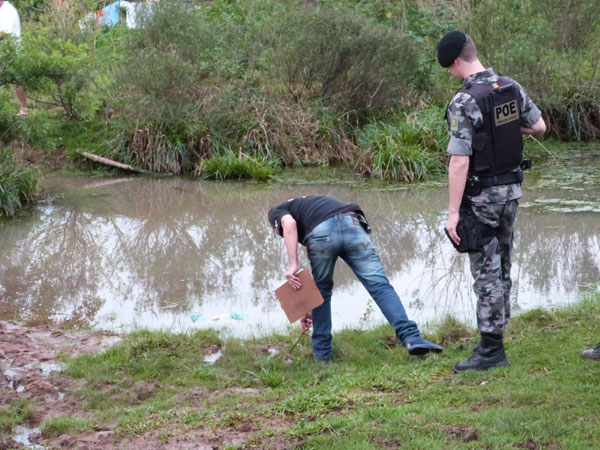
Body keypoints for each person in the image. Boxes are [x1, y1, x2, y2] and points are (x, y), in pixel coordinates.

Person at [437, 31, 546, 372]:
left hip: (482, 197)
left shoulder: (465, 101)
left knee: (485, 269)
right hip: (511, 192)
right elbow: (539, 126)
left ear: (455, 61)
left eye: (449, 68)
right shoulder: (510, 87)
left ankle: (491, 349)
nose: (451, 74)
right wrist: (505, 130)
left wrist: (453, 213)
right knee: (503, 264)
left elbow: (459, 160)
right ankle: (496, 333)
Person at [268, 195, 443, 362]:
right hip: (352, 224)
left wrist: (293, 264)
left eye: (279, 233)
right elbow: (315, 274)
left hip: (321, 232)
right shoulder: (312, 204)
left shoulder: (278, 210)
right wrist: (306, 307)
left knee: (323, 293)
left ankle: (322, 356)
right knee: (380, 286)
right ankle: (412, 337)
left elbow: (289, 224)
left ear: (276, 228)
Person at [0, 0, 27, 115]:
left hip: (12, 51)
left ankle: (24, 108)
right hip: (3, 51)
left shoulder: (8, 11)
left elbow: (4, 34)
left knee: (18, 81)